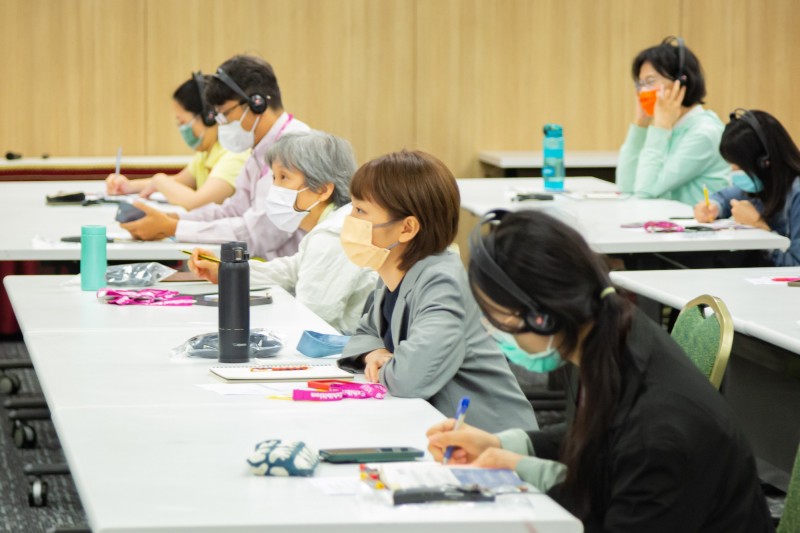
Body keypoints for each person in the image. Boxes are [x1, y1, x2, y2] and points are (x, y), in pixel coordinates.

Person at [426, 209, 773, 532]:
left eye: (499, 321)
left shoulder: (658, 432)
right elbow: (600, 432)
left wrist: (528, 472)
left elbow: (621, 478)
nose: (494, 332)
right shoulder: (610, 330)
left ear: (542, 317)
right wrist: (503, 444)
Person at [336, 150, 537, 433]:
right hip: (435, 426)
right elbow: (364, 334)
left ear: (406, 228)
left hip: (489, 440)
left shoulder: (442, 282)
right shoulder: (392, 268)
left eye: (360, 211)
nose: (349, 220)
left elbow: (409, 378)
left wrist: (389, 366)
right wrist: (375, 354)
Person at [120, 55, 310, 260]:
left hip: (293, 283)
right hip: (272, 272)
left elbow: (259, 234)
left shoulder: (294, 147)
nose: (222, 124)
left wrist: (174, 227)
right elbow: (234, 209)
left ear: (257, 103)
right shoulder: (259, 149)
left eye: (226, 114)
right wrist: (173, 218)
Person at [188, 131, 377, 334]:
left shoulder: (332, 235)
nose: (274, 188)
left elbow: (311, 317)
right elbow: (291, 270)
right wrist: (226, 271)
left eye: (284, 177)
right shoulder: (333, 226)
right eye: (274, 177)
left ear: (323, 190)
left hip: (339, 354)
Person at [105, 73, 248, 210]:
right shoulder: (206, 153)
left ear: (209, 117)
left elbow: (197, 203)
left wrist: (159, 179)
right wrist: (127, 186)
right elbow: (178, 182)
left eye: (183, 122)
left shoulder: (234, 154)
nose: (182, 129)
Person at [616, 37, 729, 204]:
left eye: (650, 82)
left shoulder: (704, 132)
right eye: (640, 84)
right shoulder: (673, 127)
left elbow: (645, 190)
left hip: (699, 227)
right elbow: (626, 186)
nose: (643, 92)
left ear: (680, 82)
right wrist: (640, 124)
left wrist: (661, 127)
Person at [695, 109, 800, 266]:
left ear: (764, 162)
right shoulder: (764, 184)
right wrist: (714, 207)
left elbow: (796, 265)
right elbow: (725, 197)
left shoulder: (796, 194)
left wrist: (759, 226)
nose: (734, 172)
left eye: (738, 166)